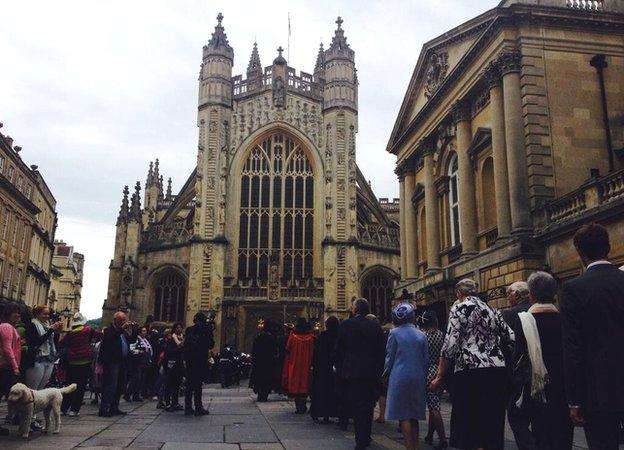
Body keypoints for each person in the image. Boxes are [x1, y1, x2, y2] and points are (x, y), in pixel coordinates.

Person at [430, 278, 514, 450]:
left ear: (459, 293)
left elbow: (450, 345)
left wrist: (440, 375)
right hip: (496, 369)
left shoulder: (458, 307)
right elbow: (510, 337)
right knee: (492, 417)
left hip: (469, 369)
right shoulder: (493, 309)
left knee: (469, 420)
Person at [561, 223, 624, 449]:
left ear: (580, 253)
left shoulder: (573, 289)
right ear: (608, 247)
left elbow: (573, 348)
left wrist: (574, 400)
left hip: (597, 390)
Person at [510, 271, 574, 449]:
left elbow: (519, 356)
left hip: (537, 388)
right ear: (554, 293)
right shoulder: (564, 319)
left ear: (531, 295)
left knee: (541, 432)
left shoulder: (524, 321)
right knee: (563, 433)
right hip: (563, 386)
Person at [334, 298, 385, 450]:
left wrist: (340, 368)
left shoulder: (346, 325)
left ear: (355, 310)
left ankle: (360, 440)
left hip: (352, 373)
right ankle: (366, 436)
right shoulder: (375, 326)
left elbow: (338, 350)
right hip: (371, 373)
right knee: (369, 405)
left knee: (356, 405)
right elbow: (381, 352)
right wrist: (379, 371)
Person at [384, 303, 428, 450]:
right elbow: (425, 359)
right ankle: (416, 446)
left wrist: (385, 374)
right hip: (418, 376)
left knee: (403, 415)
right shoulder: (421, 334)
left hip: (399, 376)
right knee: (414, 415)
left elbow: (390, 358)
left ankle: (409, 447)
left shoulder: (394, 333)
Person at [502, 281, 534, 449]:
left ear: (517, 295)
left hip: (519, 373)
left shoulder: (509, 314)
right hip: (540, 371)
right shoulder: (536, 309)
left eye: (509, 294)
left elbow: (504, 345)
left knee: (515, 416)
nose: (507, 297)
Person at [24, 305, 63, 429]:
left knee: (40, 391)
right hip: (37, 359)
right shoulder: (32, 325)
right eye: (44, 314)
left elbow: (53, 342)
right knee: (32, 391)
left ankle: (33, 418)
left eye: (48, 314)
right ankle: (26, 419)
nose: (47, 316)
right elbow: (36, 342)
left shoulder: (47, 325)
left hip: (48, 359)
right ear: (37, 314)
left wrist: (56, 332)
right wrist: (51, 330)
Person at [58, 312, 100, 416]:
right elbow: (100, 335)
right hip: (85, 362)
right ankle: (74, 410)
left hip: (72, 363)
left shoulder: (70, 333)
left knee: (69, 386)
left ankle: (63, 409)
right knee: (80, 387)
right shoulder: (88, 330)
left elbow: (61, 344)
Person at [420, 310, 447, 449]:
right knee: (433, 405)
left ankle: (442, 438)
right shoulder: (441, 335)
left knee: (434, 407)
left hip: (428, 373)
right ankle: (430, 435)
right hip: (440, 371)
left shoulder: (423, 336)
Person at [97, 311, 132, 417]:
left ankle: (114, 407)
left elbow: (131, 340)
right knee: (110, 386)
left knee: (120, 386)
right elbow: (109, 339)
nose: (123, 322)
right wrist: (122, 329)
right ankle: (104, 409)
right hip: (112, 362)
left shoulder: (123, 332)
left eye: (124, 320)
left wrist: (135, 330)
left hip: (122, 361)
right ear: (115, 320)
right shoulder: (108, 330)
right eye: (121, 320)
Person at [309, 316, 340, 422]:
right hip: (336, 368)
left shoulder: (323, 336)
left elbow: (317, 352)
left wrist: (314, 365)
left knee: (323, 391)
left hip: (323, 369)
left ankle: (323, 414)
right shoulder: (339, 336)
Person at [282, 317, 315, 414]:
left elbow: (287, 349)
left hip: (295, 364)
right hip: (307, 364)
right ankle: (303, 404)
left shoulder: (293, 336)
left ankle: (298, 406)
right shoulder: (311, 338)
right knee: (305, 384)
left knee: (296, 385)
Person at [183, 312, 214, 416]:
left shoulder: (189, 330)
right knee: (198, 385)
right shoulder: (206, 330)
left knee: (189, 384)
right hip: (200, 360)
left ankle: (187, 407)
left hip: (189, 360)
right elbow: (211, 344)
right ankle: (198, 407)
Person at [0, 304, 22, 436]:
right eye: (15, 313)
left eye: (19, 313)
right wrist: (15, 367)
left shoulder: (8, 327)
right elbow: (7, 348)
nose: (18, 315)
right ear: (8, 314)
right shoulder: (7, 326)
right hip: (5, 366)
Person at [251, 319, 278, 402]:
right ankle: (264, 394)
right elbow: (274, 350)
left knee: (259, 378)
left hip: (259, 361)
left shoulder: (259, 337)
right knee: (266, 379)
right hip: (268, 362)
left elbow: (254, 349)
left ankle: (260, 393)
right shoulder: (271, 338)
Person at [163, 322, 184, 412]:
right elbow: (169, 352)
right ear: (174, 329)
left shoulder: (181, 339)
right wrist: (179, 348)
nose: (179, 329)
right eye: (177, 328)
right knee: (169, 384)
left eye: (180, 327)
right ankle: (167, 403)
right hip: (171, 364)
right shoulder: (172, 339)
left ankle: (175, 402)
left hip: (179, 364)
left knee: (177, 384)